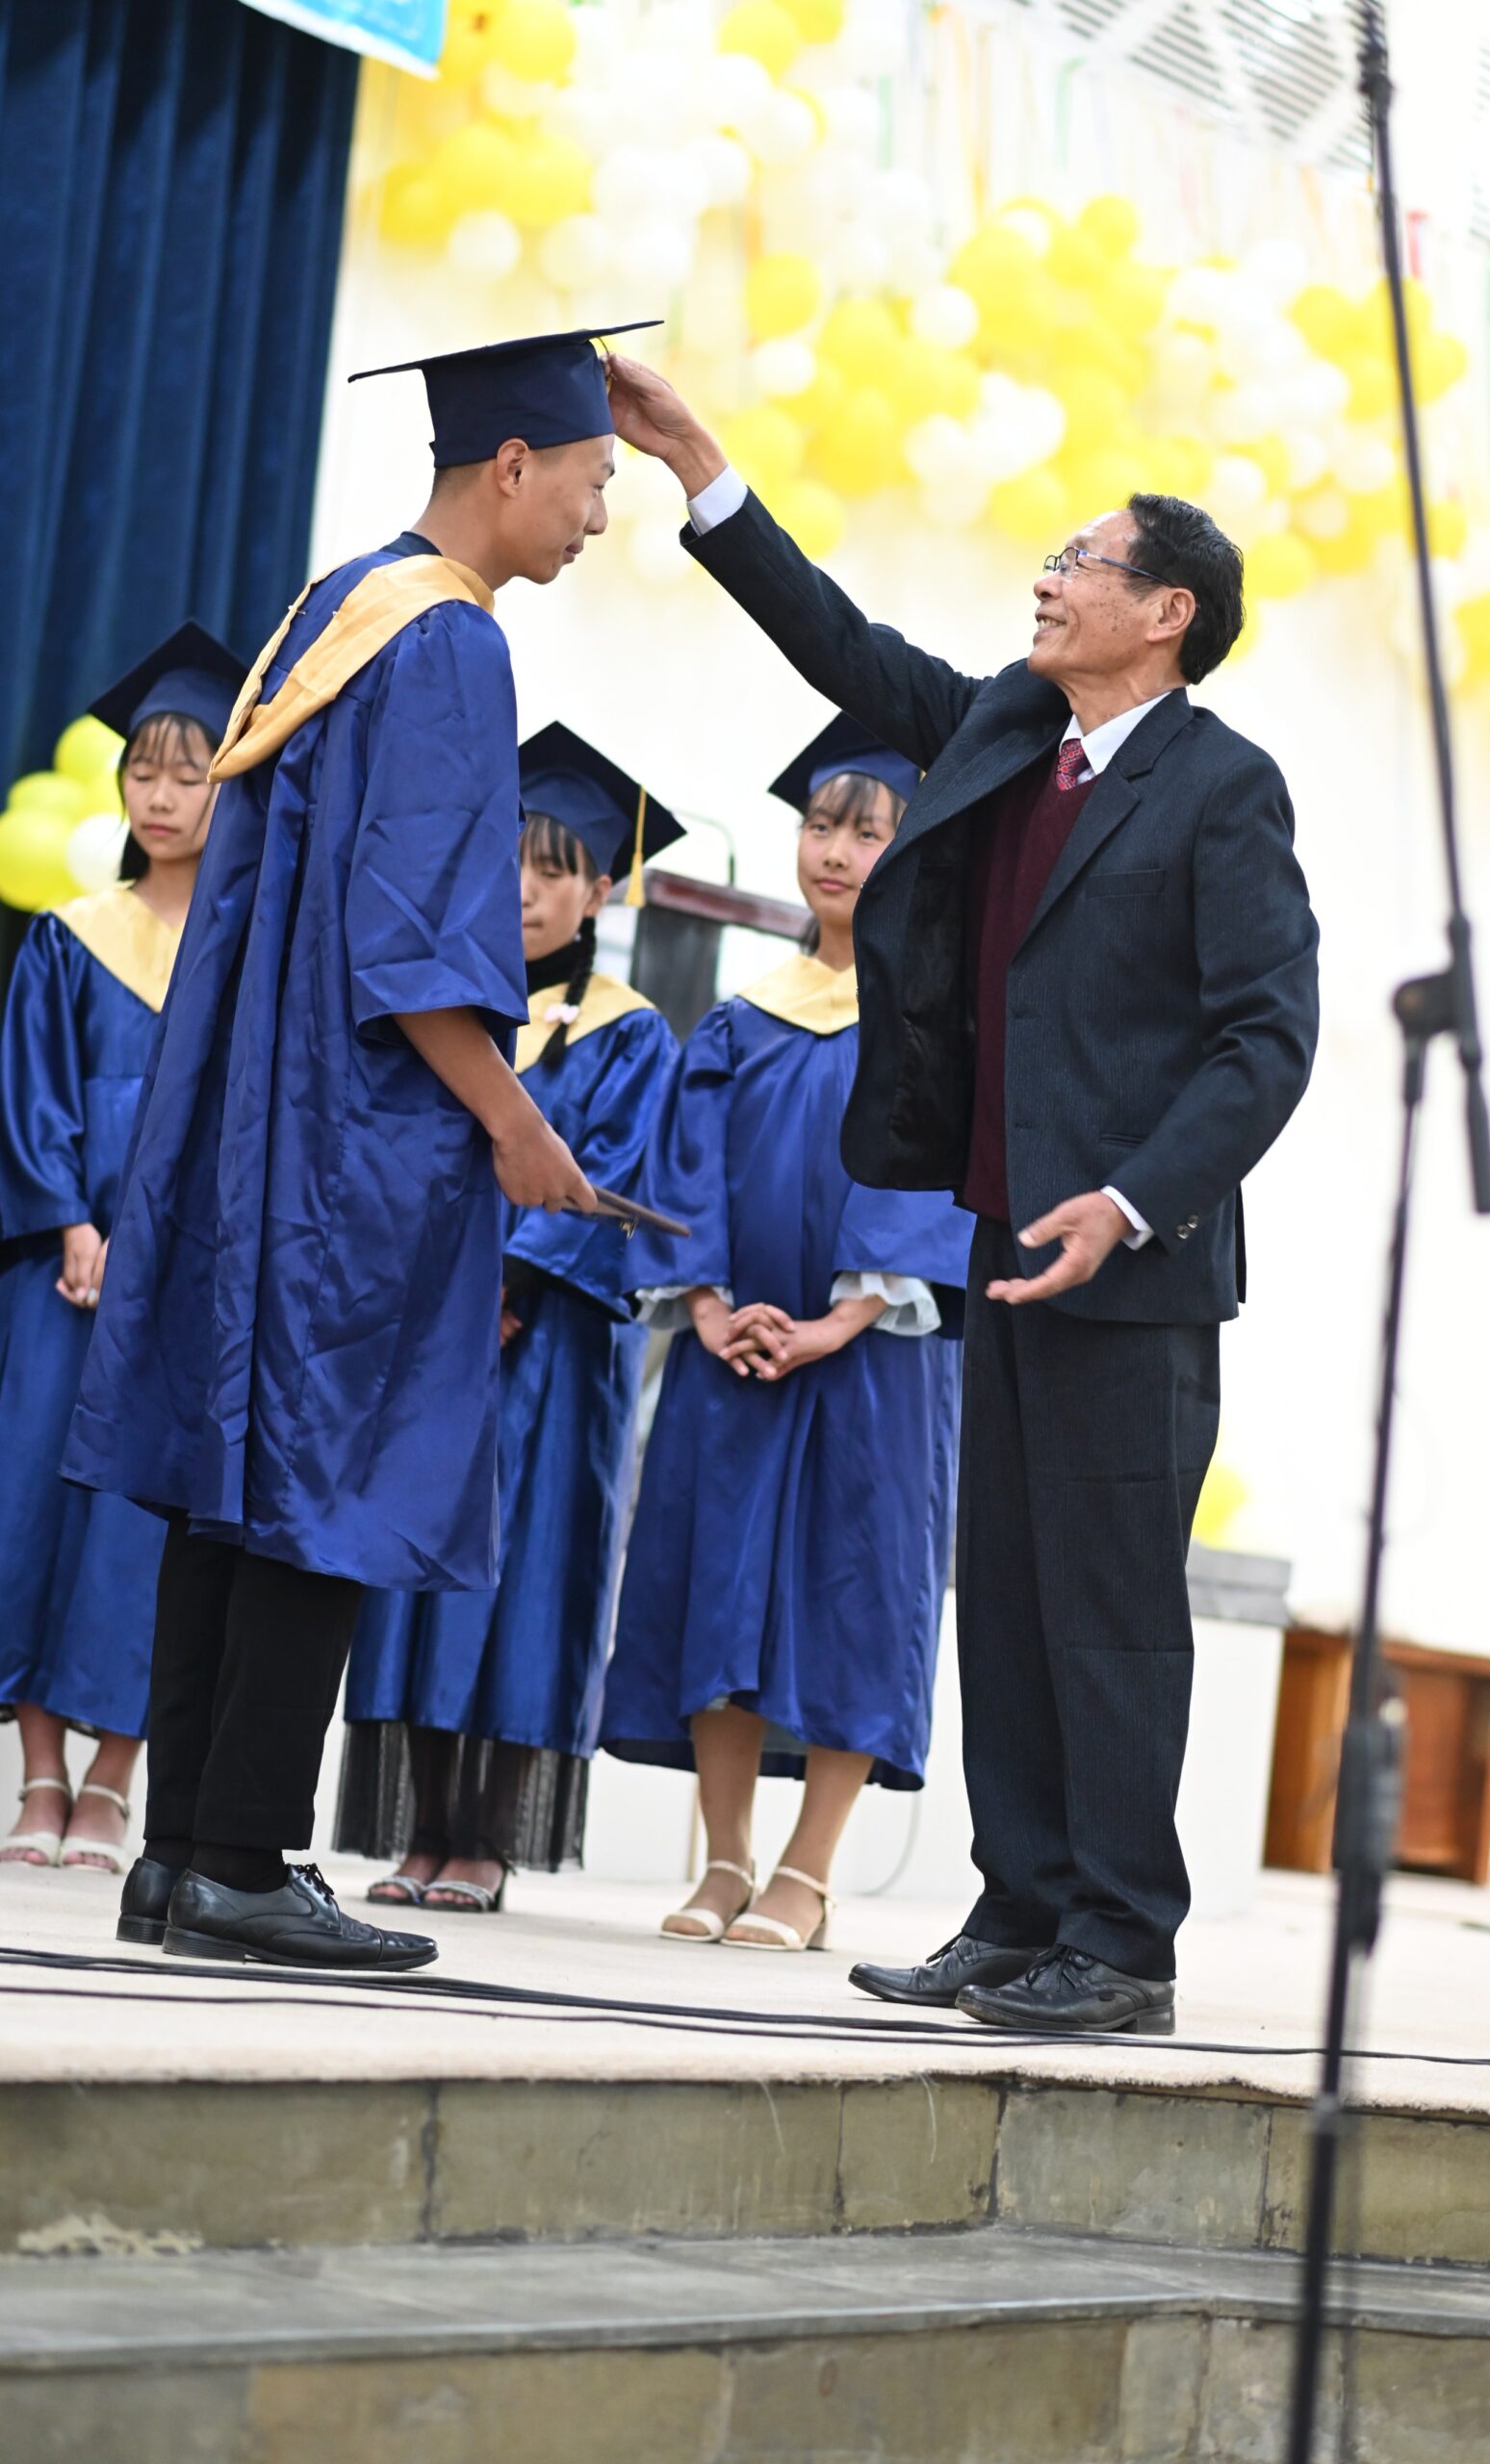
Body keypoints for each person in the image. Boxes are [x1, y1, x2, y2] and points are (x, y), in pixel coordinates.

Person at [605, 355, 1320, 2030]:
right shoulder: (1007, 730)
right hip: (999, 1239)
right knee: (1000, 1596)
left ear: (1163, 612)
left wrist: (1127, 1201)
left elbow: (1264, 1041)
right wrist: (699, 465)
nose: (1045, 578)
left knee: (1108, 1611)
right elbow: (843, 649)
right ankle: (1017, 1911)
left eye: (1079, 559)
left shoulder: (1222, 787)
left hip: (1127, 1267)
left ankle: (1119, 1946)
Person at [64, 325, 655, 1971]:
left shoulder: (332, 608)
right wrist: (516, 1125)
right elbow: (413, 949)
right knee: (329, 1477)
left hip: (255, 1122)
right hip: (363, 1141)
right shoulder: (449, 645)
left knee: (232, 1479)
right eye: (593, 479)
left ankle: (180, 1860)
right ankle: (246, 1858)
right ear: (513, 463)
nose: (599, 516)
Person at [600, 718, 972, 1954]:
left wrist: (838, 1320)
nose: (836, 852)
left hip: (873, 1359)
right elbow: (685, 1176)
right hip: (738, 1351)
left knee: (852, 1591)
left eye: (869, 833)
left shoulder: (932, 1020)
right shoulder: (738, 1021)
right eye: (821, 825)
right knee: (719, 1583)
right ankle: (723, 1859)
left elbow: (928, 1188)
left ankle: (807, 1872)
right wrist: (711, 1310)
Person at [338, 725, 682, 1914]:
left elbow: (619, 1182)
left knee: (526, 1574)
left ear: (601, 891)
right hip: (425, 1341)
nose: (526, 889)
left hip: (551, 1351)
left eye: (554, 867)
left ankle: (485, 1837)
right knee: (411, 1574)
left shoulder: (632, 1031)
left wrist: (509, 1286)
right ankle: (422, 1828)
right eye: (509, 860)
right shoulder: (447, 1013)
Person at [0, 626, 242, 1875]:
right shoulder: (70, 935)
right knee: (33, 1499)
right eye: (144, 769)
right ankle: (39, 1772)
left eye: (190, 773)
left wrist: (159, 1247)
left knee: (148, 1529)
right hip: (65, 1273)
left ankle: (112, 1780)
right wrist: (72, 1221)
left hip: (186, 1286)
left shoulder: (248, 956)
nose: (160, 794)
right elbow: (30, 1094)